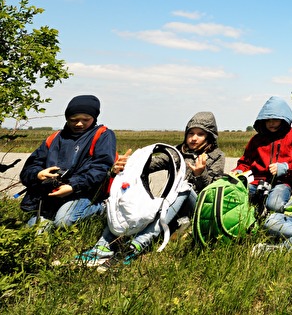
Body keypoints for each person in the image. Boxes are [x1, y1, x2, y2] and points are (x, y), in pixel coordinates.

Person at [76, 111, 225, 266]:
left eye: (200, 134)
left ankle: (136, 246)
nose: (194, 138)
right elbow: (151, 164)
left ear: (209, 136)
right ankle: (103, 247)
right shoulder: (177, 152)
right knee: (131, 195)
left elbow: (212, 191)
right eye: (191, 133)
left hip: (198, 206)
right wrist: (129, 164)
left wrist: (201, 174)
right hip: (171, 205)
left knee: (184, 187)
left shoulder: (217, 156)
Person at [19, 94, 116, 230]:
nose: (79, 123)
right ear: (67, 118)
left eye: (85, 119)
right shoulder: (54, 137)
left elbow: (101, 168)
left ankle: (101, 208)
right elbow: (29, 169)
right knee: (34, 230)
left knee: (64, 221)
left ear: (94, 118)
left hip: (84, 192)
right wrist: (38, 174)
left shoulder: (103, 135)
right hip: (51, 195)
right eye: (73, 120)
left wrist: (73, 187)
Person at [234, 96, 292, 212]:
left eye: (275, 119)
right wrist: (238, 171)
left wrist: (285, 168)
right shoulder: (256, 139)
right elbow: (245, 161)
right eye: (267, 120)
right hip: (255, 181)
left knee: (274, 205)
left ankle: (279, 219)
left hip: (283, 182)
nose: (271, 123)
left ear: (284, 119)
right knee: (239, 201)